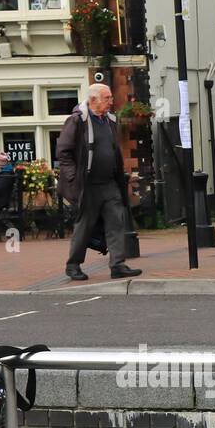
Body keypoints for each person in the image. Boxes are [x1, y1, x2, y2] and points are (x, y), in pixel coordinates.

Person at [57, 84, 140, 281]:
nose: (111, 101)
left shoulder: (109, 120)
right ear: (94, 100)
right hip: (88, 184)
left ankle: (117, 264)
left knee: (116, 222)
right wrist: (72, 178)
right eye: (107, 98)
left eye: (111, 97)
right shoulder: (77, 121)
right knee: (84, 226)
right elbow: (63, 152)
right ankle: (73, 265)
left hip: (109, 182)